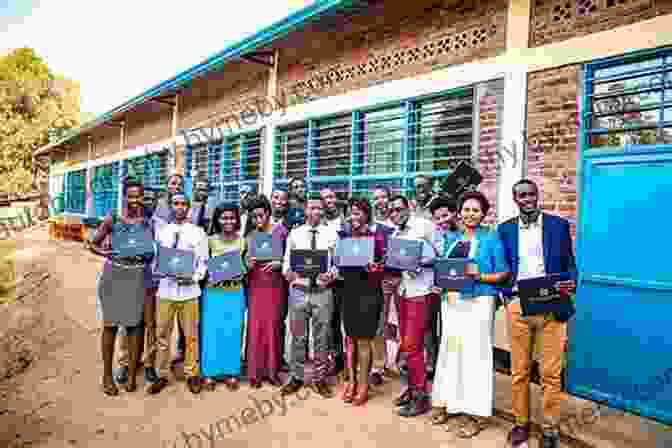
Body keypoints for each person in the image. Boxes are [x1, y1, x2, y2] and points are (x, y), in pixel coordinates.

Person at [498, 179, 577, 448]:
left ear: (537, 196)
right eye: (521, 195)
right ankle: (521, 423)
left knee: (551, 373)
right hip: (519, 304)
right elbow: (501, 266)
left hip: (551, 303)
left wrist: (571, 283)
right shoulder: (505, 229)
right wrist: (506, 296)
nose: (527, 199)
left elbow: (570, 265)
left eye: (531, 194)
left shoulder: (558, 225)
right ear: (515, 199)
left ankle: (550, 429)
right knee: (519, 371)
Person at [431, 191, 510, 438]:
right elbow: (444, 268)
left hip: (479, 301)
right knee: (451, 351)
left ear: (483, 213)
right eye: (466, 209)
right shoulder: (451, 237)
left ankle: (475, 413)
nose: (470, 214)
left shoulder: (491, 237)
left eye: (476, 210)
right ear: (459, 212)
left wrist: (479, 276)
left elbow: (503, 274)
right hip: (452, 301)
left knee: (476, 355)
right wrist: (440, 282)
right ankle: (447, 402)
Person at [87, 179, 150, 395]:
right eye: (130, 196)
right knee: (110, 326)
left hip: (138, 277)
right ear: (124, 197)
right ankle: (107, 376)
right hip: (114, 276)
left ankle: (131, 376)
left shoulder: (148, 221)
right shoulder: (113, 218)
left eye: (138, 196)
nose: (134, 200)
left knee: (135, 326)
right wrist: (104, 253)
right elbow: (92, 243)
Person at [147, 192, 208, 395]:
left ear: (188, 207)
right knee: (162, 334)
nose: (179, 207)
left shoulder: (198, 232)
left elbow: (203, 262)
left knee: (191, 336)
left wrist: (194, 277)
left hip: (189, 292)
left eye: (183, 203)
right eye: (176, 203)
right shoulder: (162, 231)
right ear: (170, 206)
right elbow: (157, 260)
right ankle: (162, 374)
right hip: (165, 290)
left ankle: (192, 374)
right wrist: (160, 270)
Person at [281, 193, 338, 399]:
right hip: (299, 290)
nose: (316, 211)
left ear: (323, 211)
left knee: (322, 337)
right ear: (305, 210)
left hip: (323, 292)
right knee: (298, 336)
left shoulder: (331, 234)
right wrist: (288, 273)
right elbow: (287, 261)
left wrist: (332, 274)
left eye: (319, 208)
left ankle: (319, 378)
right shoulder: (295, 234)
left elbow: (337, 263)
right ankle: (296, 377)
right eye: (312, 208)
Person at [387, 194, 435, 417]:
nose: (396, 213)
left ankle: (421, 396)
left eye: (399, 209)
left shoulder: (424, 226)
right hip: (403, 291)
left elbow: (442, 254)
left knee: (413, 345)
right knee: (405, 345)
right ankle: (412, 387)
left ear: (408, 207)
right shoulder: (396, 232)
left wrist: (420, 262)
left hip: (421, 292)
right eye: (392, 211)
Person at [337, 198, 386, 406]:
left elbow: (386, 263)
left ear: (366, 215)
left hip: (369, 292)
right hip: (349, 290)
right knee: (349, 339)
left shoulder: (377, 238)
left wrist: (377, 267)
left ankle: (364, 385)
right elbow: (338, 264)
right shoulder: (344, 237)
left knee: (364, 340)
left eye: (358, 212)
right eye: (351, 213)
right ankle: (351, 382)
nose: (354, 217)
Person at [245, 195, 290, 387]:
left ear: (269, 213)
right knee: (255, 326)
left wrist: (280, 264)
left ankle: (273, 370)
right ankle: (255, 372)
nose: (258, 220)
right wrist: (247, 262)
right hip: (256, 282)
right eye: (254, 217)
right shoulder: (250, 235)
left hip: (275, 283)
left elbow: (290, 257)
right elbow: (244, 262)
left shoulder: (281, 231)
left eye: (261, 215)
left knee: (273, 325)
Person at [202, 202, 246, 391]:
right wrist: (209, 274)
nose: (228, 221)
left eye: (231, 217)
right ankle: (210, 373)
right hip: (213, 292)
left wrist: (241, 270)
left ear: (237, 219)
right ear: (217, 220)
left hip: (235, 291)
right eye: (224, 217)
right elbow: (203, 264)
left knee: (233, 332)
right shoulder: (209, 240)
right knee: (211, 332)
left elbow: (246, 266)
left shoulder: (243, 240)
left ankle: (231, 372)